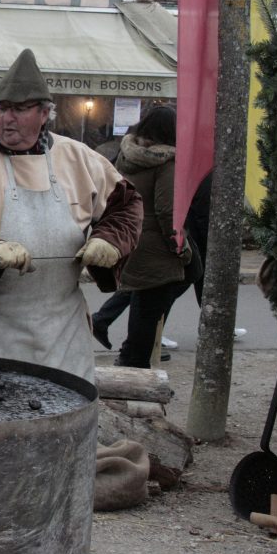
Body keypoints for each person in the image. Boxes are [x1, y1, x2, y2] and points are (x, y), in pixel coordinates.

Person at [0, 49, 143, 383]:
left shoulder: (77, 157)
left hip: (61, 329)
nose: (6, 118)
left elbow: (126, 205)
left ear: (44, 113)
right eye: (1, 108)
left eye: (19, 110)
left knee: (62, 417)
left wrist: (109, 240)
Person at [107, 106, 191, 368]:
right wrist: (179, 246)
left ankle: (128, 358)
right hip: (155, 246)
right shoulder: (165, 162)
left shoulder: (126, 154)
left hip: (131, 238)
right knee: (149, 311)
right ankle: (135, 369)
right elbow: (167, 210)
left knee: (141, 304)